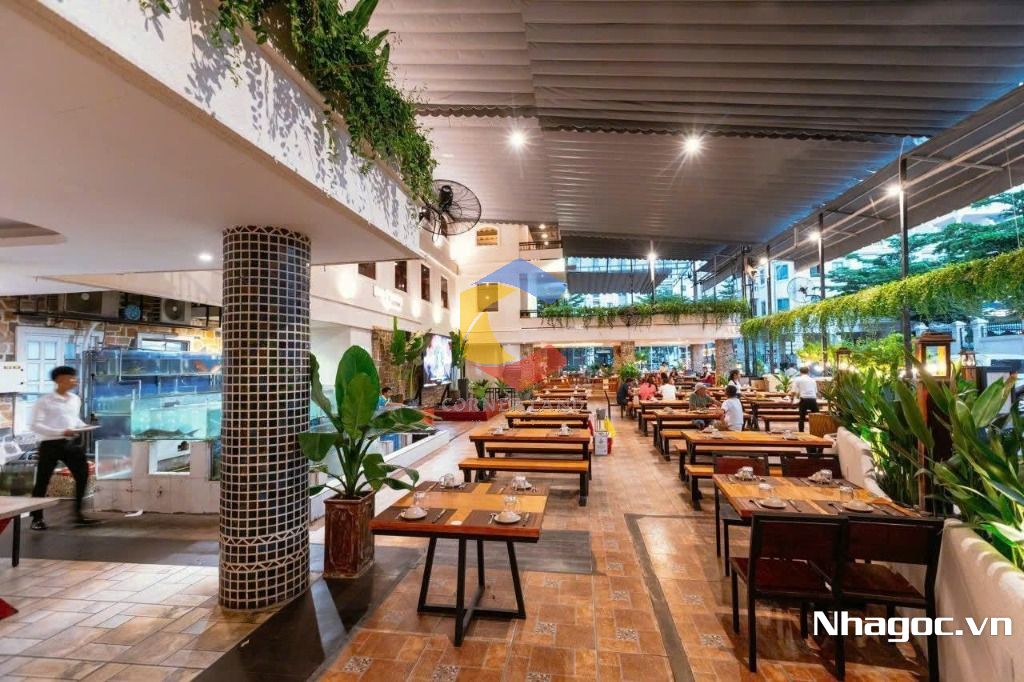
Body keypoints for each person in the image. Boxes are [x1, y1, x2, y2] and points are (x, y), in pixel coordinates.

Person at [29, 366, 97, 529]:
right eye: (71, 378)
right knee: (43, 481)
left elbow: (74, 419)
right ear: (59, 380)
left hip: (70, 443)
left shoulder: (75, 399)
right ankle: (36, 519)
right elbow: (36, 425)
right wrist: (60, 431)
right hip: (50, 444)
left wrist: (84, 426)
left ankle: (78, 514)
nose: (75, 381)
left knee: (82, 475)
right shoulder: (44, 401)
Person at [790, 366, 819, 431]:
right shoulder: (812, 380)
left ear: (800, 372)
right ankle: (816, 431)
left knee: (802, 418)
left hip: (804, 399)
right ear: (808, 372)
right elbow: (816, 392)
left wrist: (791, 399)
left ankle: (801, 432)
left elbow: (793, 391)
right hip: (813, 399)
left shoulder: (798, 379)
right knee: (816, 417)